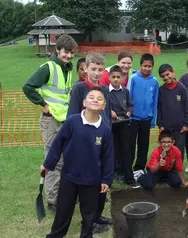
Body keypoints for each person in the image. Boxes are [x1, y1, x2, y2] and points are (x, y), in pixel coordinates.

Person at [40, 87, 114, 238]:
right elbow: (57, 144)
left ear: (104, 106)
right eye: (91, 97)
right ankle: (55, 235)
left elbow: (108, 156)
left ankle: (86, 235)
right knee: (63, 211)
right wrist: (48, 164)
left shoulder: (105, 130)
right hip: (69, 177)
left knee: (89, 214)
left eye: (99, 99)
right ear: (84, 102)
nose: (95, 100)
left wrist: (106, 179)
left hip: (92, 180)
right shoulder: (72, 121)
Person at [22, 34, 78, 212]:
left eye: (71, 53)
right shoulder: (48, 67)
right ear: (57, 50)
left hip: (64, 120)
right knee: (53, 161)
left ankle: (63, 194)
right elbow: (28, 87)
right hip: (51, 121)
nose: (69, 56)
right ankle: (53, 201)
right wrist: (44, 105)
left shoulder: (68, 68)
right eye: (66, 52)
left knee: (67, 158)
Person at [67, 53, 112, 233]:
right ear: (86, 68)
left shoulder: (105, 89)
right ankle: (89, 221)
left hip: (103, 141)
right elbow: (72, 117)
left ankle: (98, 214)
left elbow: (107, 115)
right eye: (93, 69)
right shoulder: (79, 89)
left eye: (100, 70)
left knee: (102, 179)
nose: (96, 73)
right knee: (89, 185)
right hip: (85, 145)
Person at [108, 65, 139, 189]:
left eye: (118, 77)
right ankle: (109, 179)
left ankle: (129, 179)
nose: (116, 79)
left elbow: (131, 105)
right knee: (112, 152)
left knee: (126, 151)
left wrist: (129, 112)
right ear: (109, 78)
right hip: (111, 125)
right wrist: (109, 110)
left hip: (124, 124)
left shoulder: (125, 91)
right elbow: (102, 105)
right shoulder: (106, 91)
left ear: (122, 78)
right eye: (113, 77)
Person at [129, 53, 159, 174]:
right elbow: (129, 96)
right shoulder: (134, 79)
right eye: (145, 66)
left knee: (144, 144)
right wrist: (129, 115)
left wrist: (153, 119)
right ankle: (128, 167)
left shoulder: (155, 82)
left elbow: (155, 102)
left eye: (149, 66)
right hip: (133, 118)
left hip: (147, 119)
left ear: (152, 67)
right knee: (130, 145)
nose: (147, 68)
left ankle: (139, 167)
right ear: (140, 65)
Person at [157, 63, 188, 162]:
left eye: (168, 74)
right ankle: (168, 169)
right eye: (163, 76)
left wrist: (186, 123)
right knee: (167, 150)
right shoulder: (161, 90)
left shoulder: (182, 88)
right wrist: (160, 124)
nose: (166, 77)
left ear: (173, 73)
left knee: (179, 150)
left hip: (180, 127)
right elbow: (159, 108)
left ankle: (178, 170)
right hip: (166, 127)